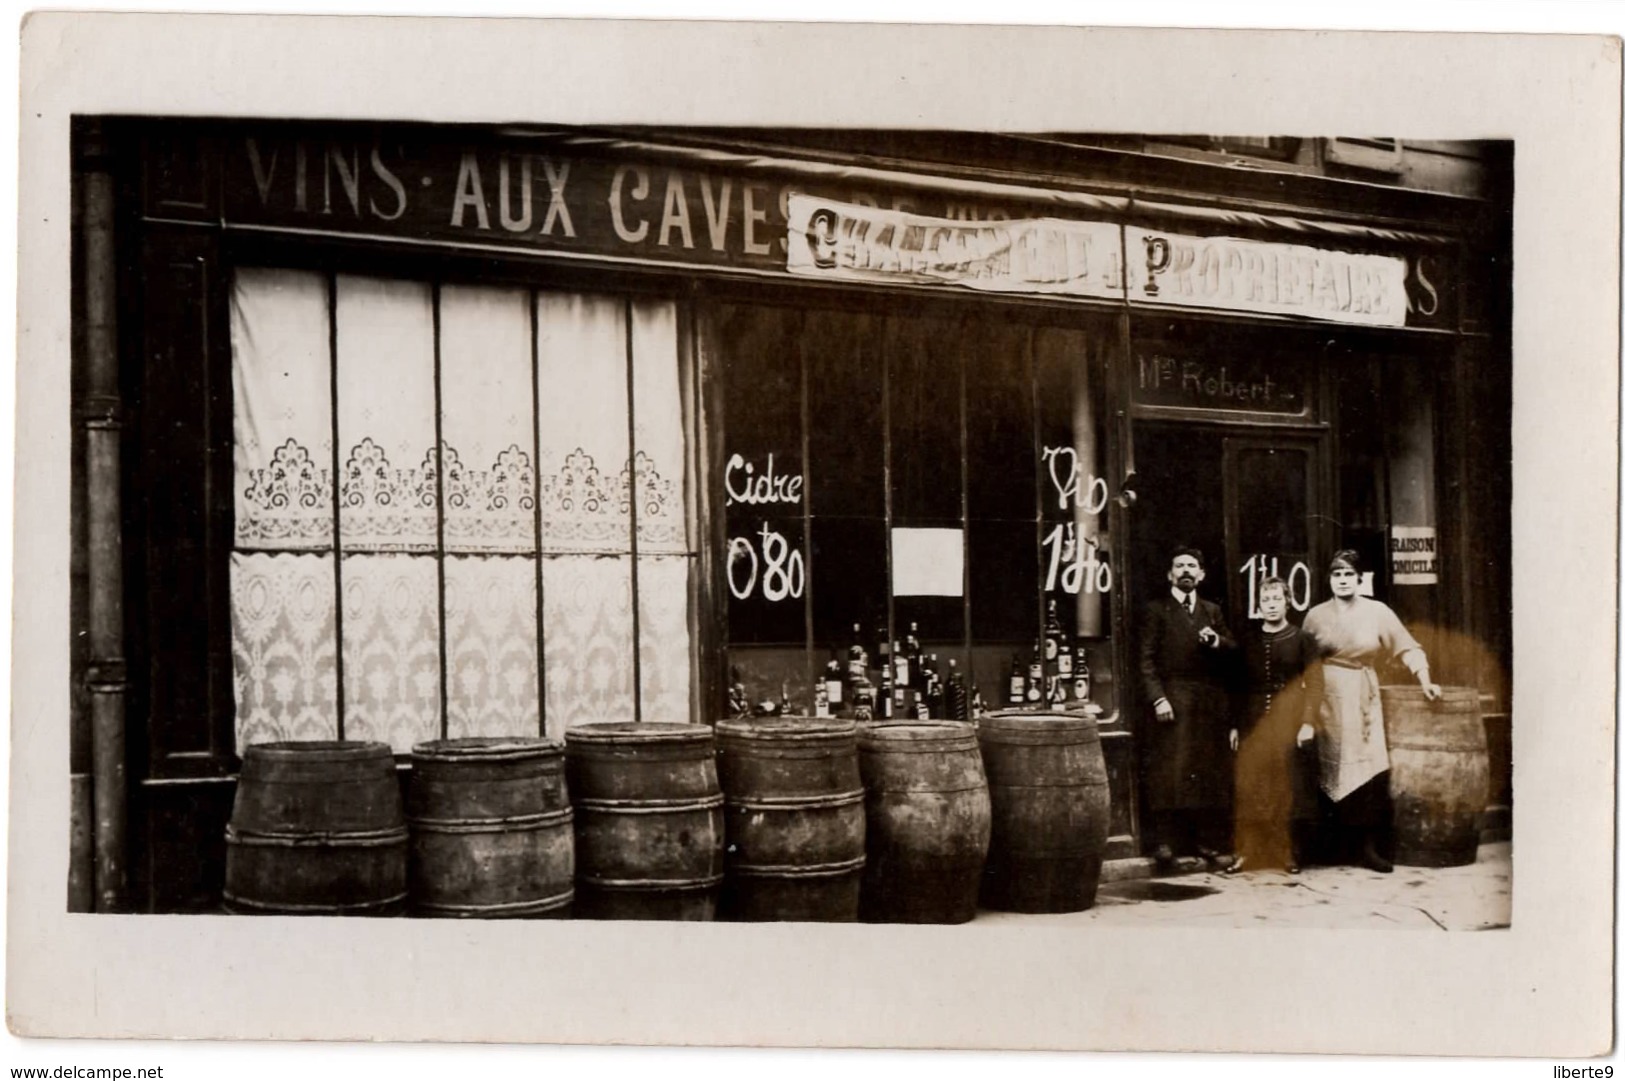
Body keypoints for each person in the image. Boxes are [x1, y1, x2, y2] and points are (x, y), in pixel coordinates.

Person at [1301, 549, 1442, 873]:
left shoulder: (1378, 612)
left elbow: (1407, 646)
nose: (1343, 581)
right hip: (1325, 695)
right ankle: (1333, 848)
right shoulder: (1315, 616)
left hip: (1362, 695)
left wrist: (1426, 680)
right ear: (1329, 580)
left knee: (1366, 768)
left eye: (1349, 574)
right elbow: (1302, 659)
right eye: (1337, 575)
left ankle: (1367, 848)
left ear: (1360, 579)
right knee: (1327, 768)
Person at [1138, 546, 1239, 872]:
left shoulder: (1211, 611)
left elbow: (1233, 649)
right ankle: (1166, 844)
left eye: (1191, 566)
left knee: (1206, 771)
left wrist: (1216, 643)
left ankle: (1206, 842)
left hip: (1207, 702)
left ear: (1201, 575)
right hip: (1173, 699)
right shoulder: (1156, 611)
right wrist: (1158, 698)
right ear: (1169, 574)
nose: (1185, 571)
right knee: (1171, 771)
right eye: (1179, 565)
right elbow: (1145, 660)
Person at [1228, 576, 1317, 875]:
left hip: (1288, 719)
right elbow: (1237, 687)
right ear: (1259, 605)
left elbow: (1316, 684)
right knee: (1251, 786)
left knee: (1286, 787)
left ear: (1287, 602)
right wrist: (1235, 726)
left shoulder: (1302, 639)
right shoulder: (1249, 640)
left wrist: (1308, 723)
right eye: (1265, 600)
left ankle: (1286, 853)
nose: (1271, 605)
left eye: (1276, 599)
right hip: (1253, 720)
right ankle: (1246, 852)